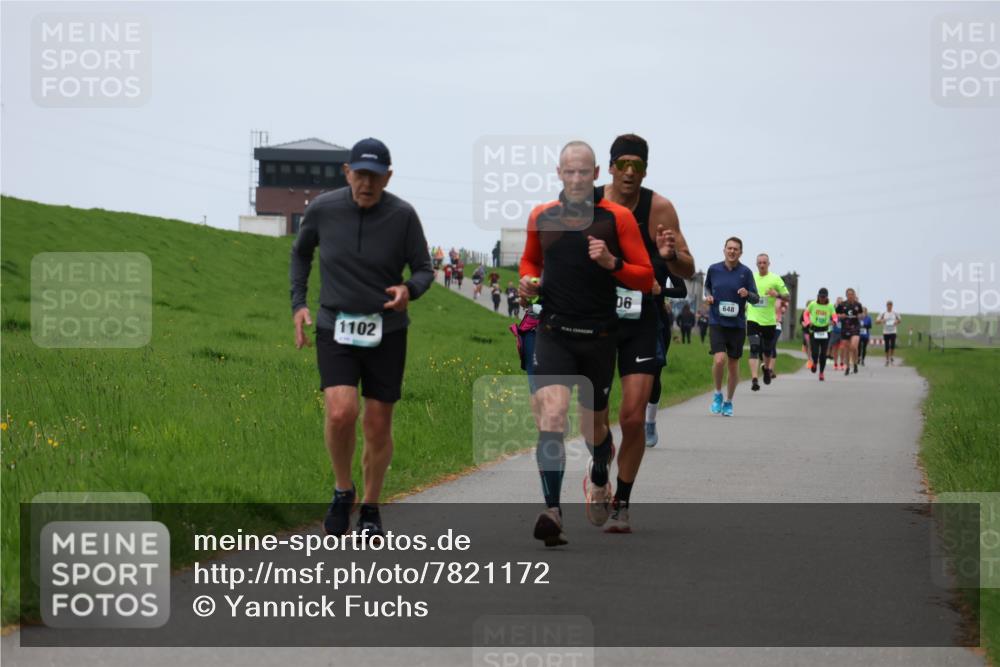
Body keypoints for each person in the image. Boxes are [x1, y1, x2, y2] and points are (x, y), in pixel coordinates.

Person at [290, 137, 433, 538]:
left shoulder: (403, 216)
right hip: (335, 323)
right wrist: (299, 304)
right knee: (340, 412)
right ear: (346, 172)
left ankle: (370, 507)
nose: (366, 184)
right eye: (359, 174)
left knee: (376, 422)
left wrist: (409, 290)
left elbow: (424, 268)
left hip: (386, 329)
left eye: (374, 176)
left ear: (388, 177)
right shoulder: (323, 209)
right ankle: (342, 490)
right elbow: (301, 253)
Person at [518, 140, 654, 546]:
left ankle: (600, 467)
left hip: (599, 336)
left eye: (584, 172)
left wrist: (612, 263)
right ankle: (552, 510)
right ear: (559, 174)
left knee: (594, 426)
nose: (576, 178)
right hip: (554, 331)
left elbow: (645, 277)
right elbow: (529, 262)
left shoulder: (617, 219)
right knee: (552, 415)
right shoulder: (542, 216)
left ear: (596, 175)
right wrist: (527, 282)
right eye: (569, 171)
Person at [595, 135, 695, 530]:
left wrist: (671, 257)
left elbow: (688, 267)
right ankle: (600, 470)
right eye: (624, 164)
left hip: (643, 320)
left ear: (646, 170)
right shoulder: (587, 203)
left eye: (638, 165)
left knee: (633, 417)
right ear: (611, 167)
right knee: (595, 416)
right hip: (595, 320)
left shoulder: (660, 208)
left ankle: (621, 501)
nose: (630, 172)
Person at [704, 237, 759, 417]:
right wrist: (709, 297)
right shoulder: (714, 269)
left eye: (736, 249)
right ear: (724, 250)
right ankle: (718, 393)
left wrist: (747, 293)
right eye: (729, 248)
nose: (732, 251)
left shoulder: (746, 272)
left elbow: (756, 298)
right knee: (719, 359)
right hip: (717, 322)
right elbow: (707, 288)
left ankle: (728, 401)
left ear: (741, 252)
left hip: (736, 325)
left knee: (733, 365)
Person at [746, 253, 790, 392]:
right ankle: (754, 379)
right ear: (756, 264)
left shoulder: (775, 278)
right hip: (753, 318)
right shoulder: (750, 278)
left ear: (769, 264)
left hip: (769, 321)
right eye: (759, 262)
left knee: (767, 350)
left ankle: (766, 369)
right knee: (753, 348)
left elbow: (787, 297)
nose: (762, 265)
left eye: (764, 262)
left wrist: (776, 294)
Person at [805, 288, 837, 381]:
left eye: (824, 297)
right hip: (814, 330)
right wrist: (808, 322)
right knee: (815, 352)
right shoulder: (813, 304)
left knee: (823, 354)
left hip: (825, 331)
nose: (822, 299)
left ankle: (821, 373)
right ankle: (815, 363)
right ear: (818, 296)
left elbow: (834, 315)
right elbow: (805, 314)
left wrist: (834, 321)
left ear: (827, 297)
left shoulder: (830, 306)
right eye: (821, 297)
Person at [836, 288, 866, 375]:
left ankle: (855, 363)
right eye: (848, 294)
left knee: (853, 346)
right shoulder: (842, 304)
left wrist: (861, 316)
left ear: (854, 295)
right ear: (846, 295)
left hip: (855, 327)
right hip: (845, 327)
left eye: (852, 294)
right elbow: (835, 314)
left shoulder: (858, 305)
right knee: (846, 349)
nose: (850, 296)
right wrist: (841, 315)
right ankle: (848, 367)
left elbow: (862, 314)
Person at [878, 301, 902, 366]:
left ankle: (891, 357)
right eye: (888, 305)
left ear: (892, 306)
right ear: (886, 306)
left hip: (893, 331)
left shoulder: (895, 313)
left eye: (890, 305)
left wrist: (896, 322)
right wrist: (881, 321)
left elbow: (900, 320)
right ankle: (887, 359)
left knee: (892, 346)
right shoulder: (883, 313)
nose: (889, 306)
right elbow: (877, 321)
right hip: (886, 332)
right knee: (887, 346)